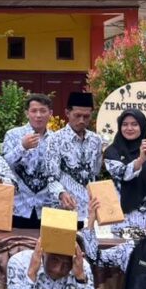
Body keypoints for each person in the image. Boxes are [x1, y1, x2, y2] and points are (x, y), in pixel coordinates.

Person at [102, 110, 146, 234]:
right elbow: (122, 174)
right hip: (122, 214)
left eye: (134, 124)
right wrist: (141, 159)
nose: (129, 128)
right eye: (125, 124)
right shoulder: (112, 151)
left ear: (142, 126)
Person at [45, 92, 103, 224]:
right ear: (67, 113)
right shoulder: (55, 140)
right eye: (77, 115)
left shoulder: (96, 140)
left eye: (86, 116)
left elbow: (96, 173)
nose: (81, 120)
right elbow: (50, 177)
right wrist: (61, 193)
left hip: (90, 211)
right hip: (65, 209)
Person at [1, 94, 54, 229]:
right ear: (27, 113)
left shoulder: (56, 139)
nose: (38, 115)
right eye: (34, 111)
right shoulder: (13, 135)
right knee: (17, 242)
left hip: (47, 207)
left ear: (50, 113)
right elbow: (4, 165)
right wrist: (22, 147)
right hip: (18, 206)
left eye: (43, 111)